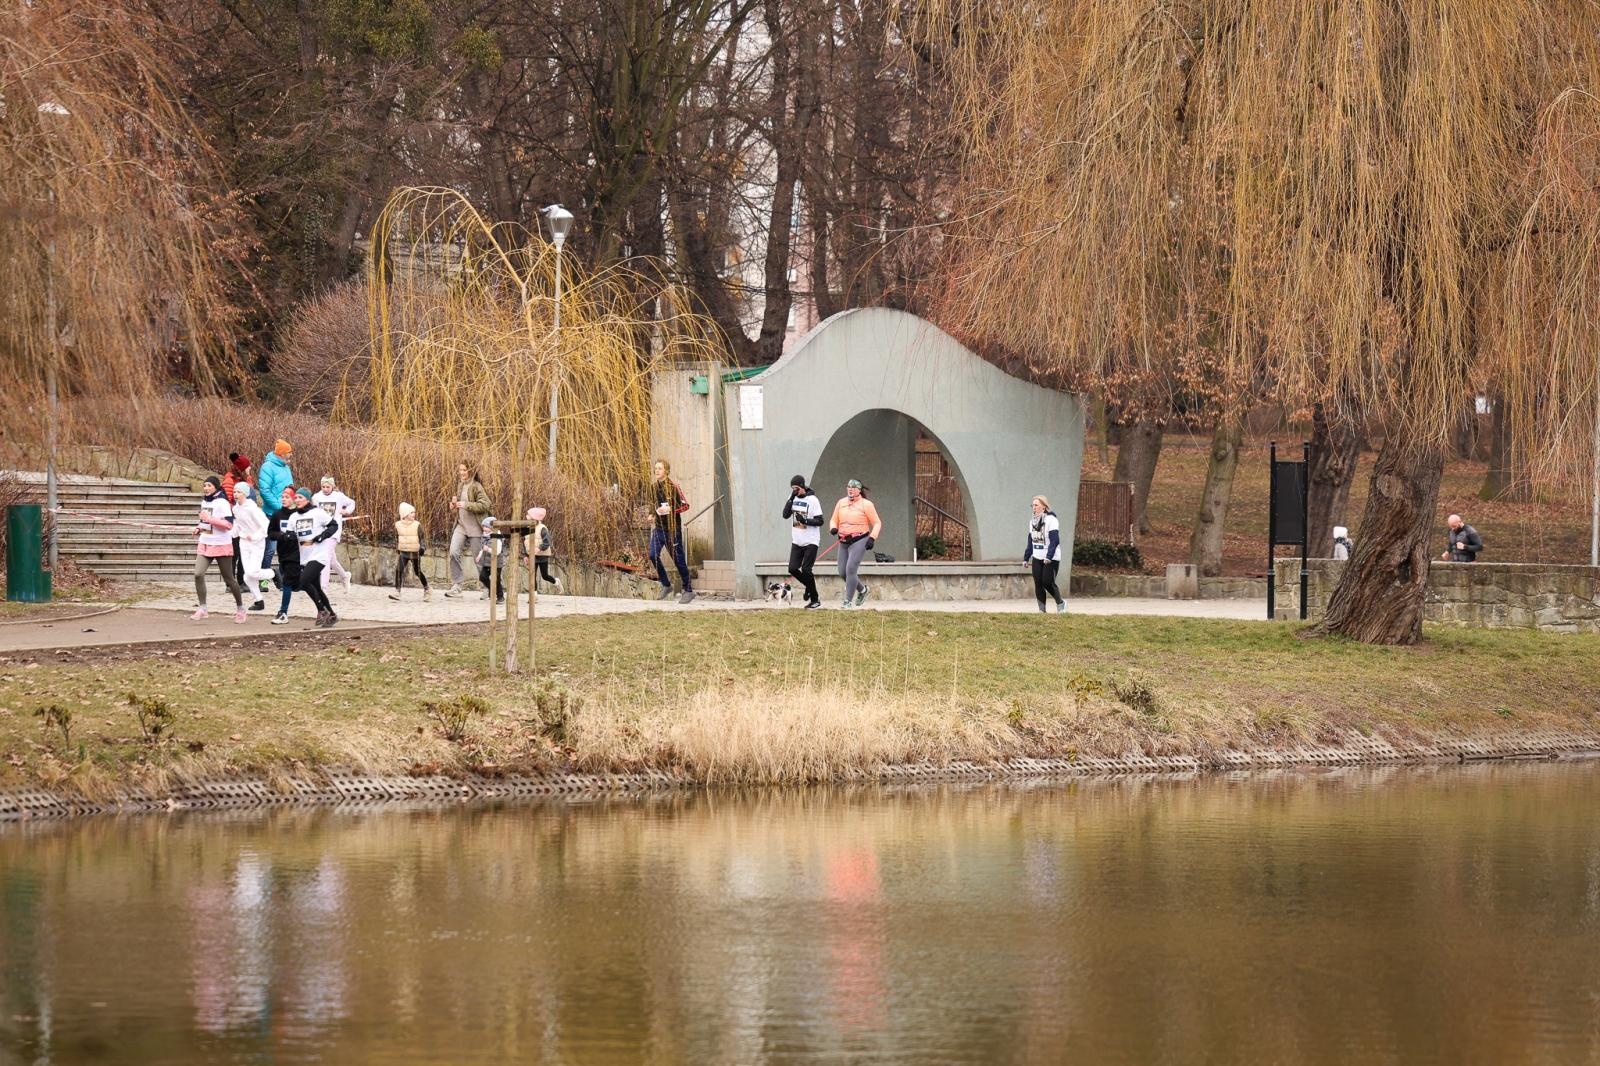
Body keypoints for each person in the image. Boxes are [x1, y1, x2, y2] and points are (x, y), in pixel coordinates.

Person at [284, 484, 339, 626]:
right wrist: (288, 536)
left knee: (303, 581)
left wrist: (322, 536)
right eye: (295, 497)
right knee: (317, 588)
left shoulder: (317, 513)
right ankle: (332, 615)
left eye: (300, 497)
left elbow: (334, 525)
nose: (297, 500)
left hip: (319, 554)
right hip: (304, 554)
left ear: (307, 500)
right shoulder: (293, 517)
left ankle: (322, 610)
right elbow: (290, 533)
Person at [193, 475, 245, 622]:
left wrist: (210, 520)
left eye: (209, 485)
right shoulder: (204, 502)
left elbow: (228, 524)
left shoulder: (222, 502)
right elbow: (204, 521)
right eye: (204, 485)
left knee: (229, 579)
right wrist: (199, 527)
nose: (206, 488)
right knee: (198, 574)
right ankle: (203, 608)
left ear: (215, 487)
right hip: (205, 542)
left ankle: (240, 608)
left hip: (221, 544)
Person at [828, 478, 882, 608]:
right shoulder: (841, 502)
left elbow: (877, 523)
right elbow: (833, 520)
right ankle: (863, 590)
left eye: (854, 487)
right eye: (848, 487)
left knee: (851, 569)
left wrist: (872, 538)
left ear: (859, 490)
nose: (850, 489)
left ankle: (847, 601)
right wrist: (833, 528)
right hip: (843, 540)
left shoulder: (867, 504)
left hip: (859, 539)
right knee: (842, 572)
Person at [648, 459, 695, 604]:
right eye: (655, 468)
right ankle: (666, 584)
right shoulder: (653, 488)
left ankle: (688, 590)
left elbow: (685, 505)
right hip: (659, 529)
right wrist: (651, 514)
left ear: (666, 471)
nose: (657, 471)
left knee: (678, 560)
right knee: (652, 555)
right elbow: (652, 504)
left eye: (660, 468)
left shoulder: (674, 487)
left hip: (673, 530)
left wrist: (671, 510)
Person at [446, 461, 492, 597]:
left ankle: (487, 587)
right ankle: (457, 585)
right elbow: (460, 507)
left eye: (464, 470)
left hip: (475, 528)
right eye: (460, 470)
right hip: (461, 526)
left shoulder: (477, 487)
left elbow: (486, 505)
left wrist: (466, 505)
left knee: (479, 559)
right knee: (453, 552)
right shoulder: (460, 485)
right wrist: (454, 507)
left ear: (470, 471)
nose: (461, 473)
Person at [783, 474, 824, 608]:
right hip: (797, 540)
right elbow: (785, 515)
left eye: (797, 488)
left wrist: (805, 521)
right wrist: (791, 499)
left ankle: (815, 600)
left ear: (802, 486)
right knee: (793, 568)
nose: (795, 491)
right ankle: (809, 585)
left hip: (811, 540)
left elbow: (820, 521)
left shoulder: (813, 500)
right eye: (793, 488)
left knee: (806, 569)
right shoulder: (792, 498)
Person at [231, 482, 274, 612]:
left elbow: (266, 525)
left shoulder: (252, 509)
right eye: (234, 492)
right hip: (243, 543)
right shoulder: (235, 509)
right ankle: (259, 601)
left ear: (245, 494)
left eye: (239, 492)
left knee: (252, 572)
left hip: (257, 543)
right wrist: (232, 534)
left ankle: (273, 573)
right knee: (246, 576)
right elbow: (238, 525)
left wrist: (255, 536)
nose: (236, 494)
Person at [257, 440, 295, 582]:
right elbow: (265, 491)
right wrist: (279, 506)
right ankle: (264, 579)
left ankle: (286, 578)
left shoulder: (286, 468)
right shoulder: (267, 467)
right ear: (282, 453)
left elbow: (290, 488)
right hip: (271, 514)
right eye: (288, 452)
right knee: (270, 549)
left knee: (286, 548)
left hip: (286, 513)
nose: (291, 455)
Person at [312, 474, 356, 593]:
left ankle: (323, 589)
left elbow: (352, 503)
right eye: (323, 486)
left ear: (332, 486)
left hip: (334, 531)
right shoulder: (316, 497)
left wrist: (346, 511)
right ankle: (345, 576)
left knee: (325, 558)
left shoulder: (339, 496)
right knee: (331, 560)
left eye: (328, 487)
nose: (325, 489)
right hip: (321, 531)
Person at [267, 486, 304, 624]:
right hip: (283, 553)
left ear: (294, 498)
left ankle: (283, 613)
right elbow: (270, 534)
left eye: (287, 497)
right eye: (282, 496)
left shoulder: (299, 514)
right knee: (302, 584)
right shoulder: (277, 514)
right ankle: (323, 608)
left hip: (297, 553)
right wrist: (282, 536)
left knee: (287, 583)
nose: (283, 499)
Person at [1023, 495, 1066, 614]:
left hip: (1051, 557)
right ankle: (1042, 610)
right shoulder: (1032, 522)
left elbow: (1055, 540)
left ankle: (1060, 603)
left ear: (1044, 507)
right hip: (1037, 556)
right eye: (1033, 505)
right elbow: (1030, 540)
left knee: (1047, 582)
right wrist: (1026, 558)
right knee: (1038, 582)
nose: (1034, 507)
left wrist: (1049, 556)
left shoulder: (1052, 520)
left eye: (1036, 505)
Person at [389, 502, 431, 601]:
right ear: (405, 514)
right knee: (399, 570)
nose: (414, 514)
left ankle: (427, 589)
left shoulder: (417, 525)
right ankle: (397, 591)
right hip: (403, 552)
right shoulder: (397, 525)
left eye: (414, 512)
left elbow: (422, 538)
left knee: (418, 572)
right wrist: (397, 548)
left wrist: (422, 548)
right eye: (411, 512)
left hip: (415, 552)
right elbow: (396, 538)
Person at [222, 453, 253, 583]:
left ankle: (241, 580)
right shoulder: (230, 481)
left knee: (243, 553)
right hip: (235, 521)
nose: (250, 469)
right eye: (247, 467)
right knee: (234, 553)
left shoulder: (243, 481)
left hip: (244, 521)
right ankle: (231, 582)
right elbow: (227, 502)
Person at [525, 505, 563, 595]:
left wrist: (539, 548)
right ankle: (533, 596)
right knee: (532, 576)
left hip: (542, 555)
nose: (526, 516)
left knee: (544, 576)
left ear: (534, 517)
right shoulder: (527, 528)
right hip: (532, 555)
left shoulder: (542, 528)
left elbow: (547, 542)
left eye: (528, 515)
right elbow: (526, 542)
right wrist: (526, 555)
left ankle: (556, 582)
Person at [476, 516, 505, 602]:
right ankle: (492, 591)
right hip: (486, 562)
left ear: (492, 528)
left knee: (496, 580)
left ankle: (500, 597)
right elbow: (483, 547)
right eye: (483, 526)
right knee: (483, 577)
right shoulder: (485, 536)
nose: (484, 528)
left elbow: (497, 551)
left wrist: (488, 549)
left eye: (486, 527)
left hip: (496, 562)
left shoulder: (497, 537)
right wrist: (479, 555)